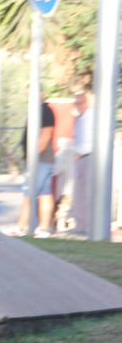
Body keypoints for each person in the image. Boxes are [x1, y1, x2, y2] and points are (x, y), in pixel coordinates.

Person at [10, 101, 56, 238]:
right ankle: (43, 228)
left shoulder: (44, 110)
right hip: (43, 160)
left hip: (40, 160)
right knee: (44, 193)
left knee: (29, 192)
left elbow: (47, 133)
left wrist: (33, 156)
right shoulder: (40, 110)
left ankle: (22, 227)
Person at [70, 91, 94, 236]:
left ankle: (89, 225)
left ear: (86, 102)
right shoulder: (78, 119)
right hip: (78, 158)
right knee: (78, 192)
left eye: (79, 103)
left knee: (88, 192)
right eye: (76, 103)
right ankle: (80, 224)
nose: (77, 106)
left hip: (89, 156)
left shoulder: (92, 117)